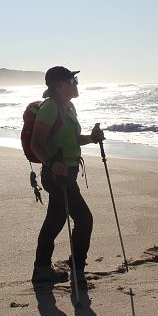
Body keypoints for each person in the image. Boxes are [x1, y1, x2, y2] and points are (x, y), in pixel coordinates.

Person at [30, 66, 105, 286]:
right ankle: (77, 270)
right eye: (72, 80)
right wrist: (52, 164)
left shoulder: (68, 107)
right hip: (57, 176)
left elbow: (72, 139)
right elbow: (36, 144)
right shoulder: (50, 108)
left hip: (68, 173)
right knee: (84, 220)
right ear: (59, 85)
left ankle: (42, 268)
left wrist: (92, 138)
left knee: (55, 220)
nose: (76, 83)